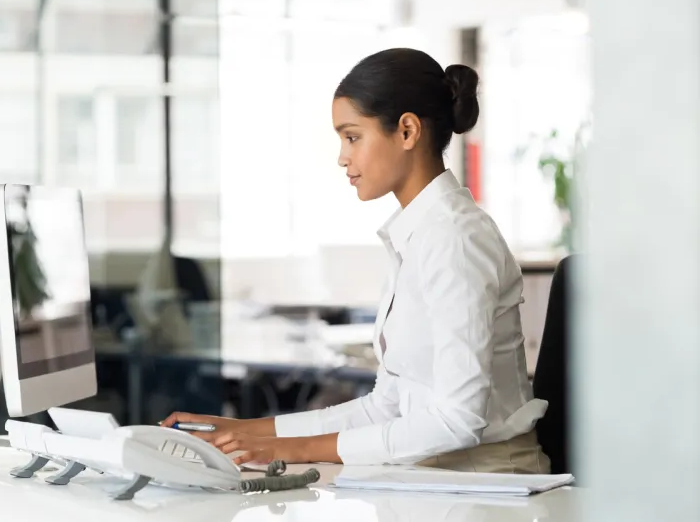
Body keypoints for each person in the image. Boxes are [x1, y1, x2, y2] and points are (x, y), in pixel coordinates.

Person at [162, 48, 550, 473]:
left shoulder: (455, 239)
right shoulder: (417, 236)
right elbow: (385, 406)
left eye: (352, 136)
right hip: (437, 475)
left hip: (490, 483)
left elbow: (458, 420)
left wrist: (293, 450)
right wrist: (254, 431)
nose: (342, 157)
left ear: (406, 131)